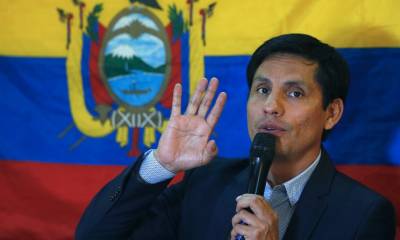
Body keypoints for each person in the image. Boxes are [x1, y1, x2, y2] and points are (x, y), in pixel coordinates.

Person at [75, 33, 396, 240]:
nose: (271, 106)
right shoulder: (205, 183)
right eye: (262, 89)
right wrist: (161, 164)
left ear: (332, 113)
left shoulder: (364, 214)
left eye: (295, 93)